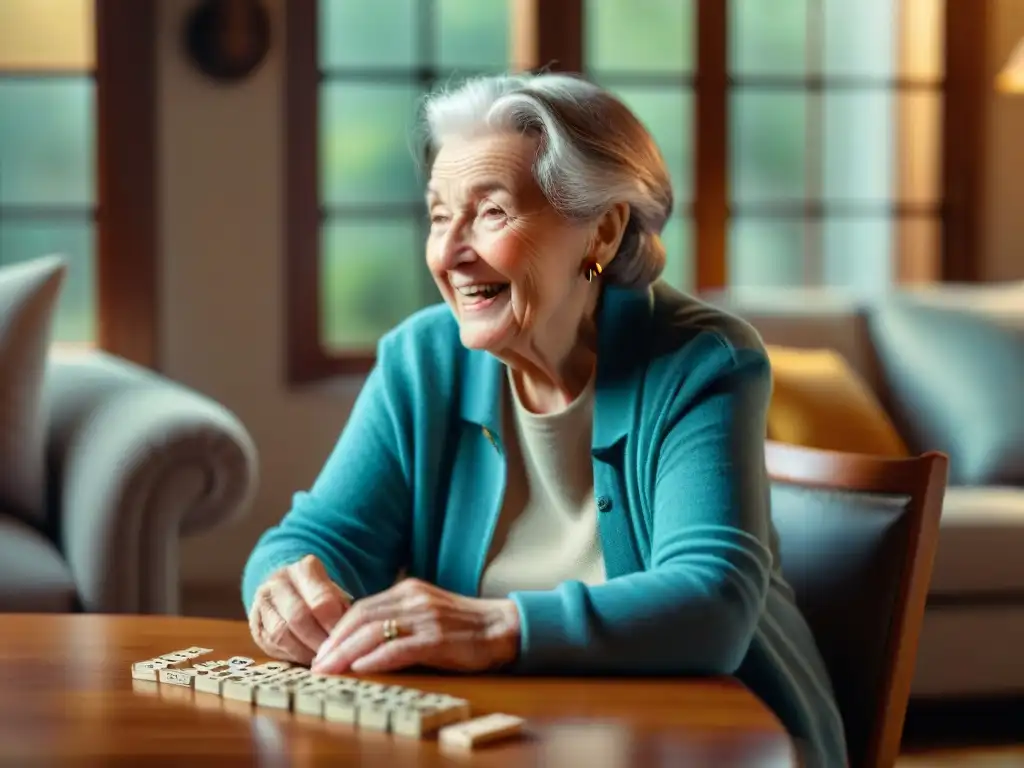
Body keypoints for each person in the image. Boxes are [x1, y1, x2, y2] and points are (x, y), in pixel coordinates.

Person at [241, 72, 848, 767]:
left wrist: (495, 627)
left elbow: (714, 603)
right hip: (513, 739)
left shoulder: (701, 360)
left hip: (714, 738)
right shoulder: (421, 360)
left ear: (602, 231)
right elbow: (316, 537)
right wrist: (287, 587)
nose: (449, 252)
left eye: (491, 213)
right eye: (440, 216)